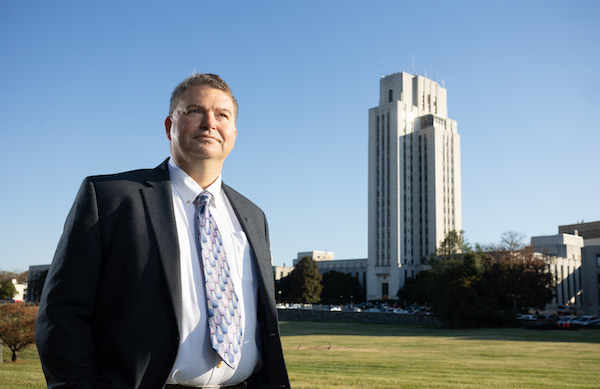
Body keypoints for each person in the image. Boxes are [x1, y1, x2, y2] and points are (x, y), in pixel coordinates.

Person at [36, 73, 291, 389]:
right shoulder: (110, 199)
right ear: (170, 126)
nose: (210, 122)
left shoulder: (254, 216)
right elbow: (61, 314)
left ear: (234, 134)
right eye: (195, 111)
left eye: (222, 115)